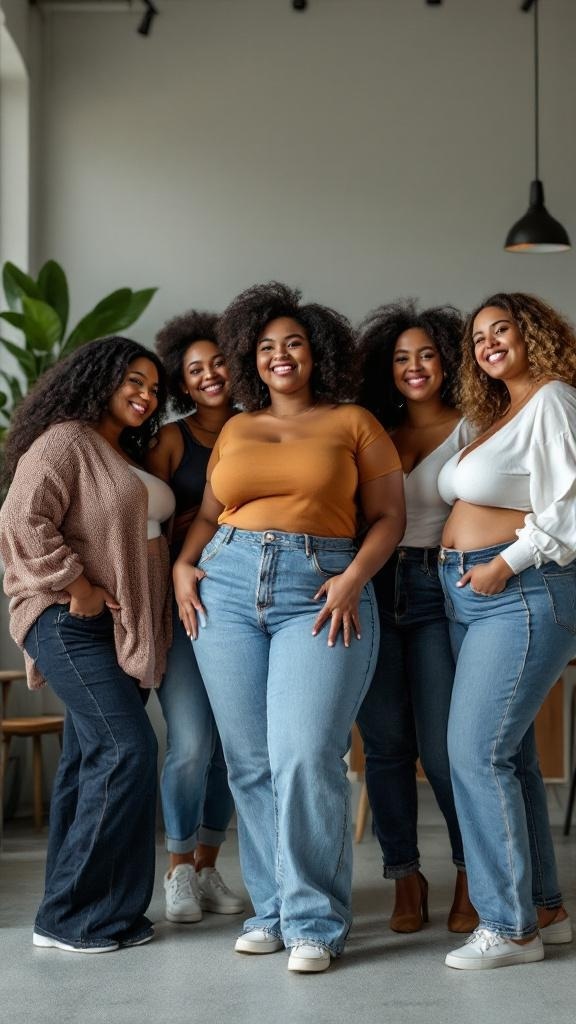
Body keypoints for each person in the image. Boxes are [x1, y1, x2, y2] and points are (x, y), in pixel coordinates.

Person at [173, 282, 405, 972]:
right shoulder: (238, 428)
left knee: (305, 753)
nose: (280, 355)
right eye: (266, 346)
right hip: (226, 585)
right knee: (250, 762)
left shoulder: (354, 422)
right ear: (251, 358)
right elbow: (210, 515)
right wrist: (183, 565)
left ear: (317, 352)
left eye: (294, 342)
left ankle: (314, 923)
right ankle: (272, 911)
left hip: (322, 587)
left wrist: (354, 577)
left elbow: (389, 517)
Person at [0, 337, 175, 953]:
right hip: (67, 620)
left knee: (85, 763)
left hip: (115, 627)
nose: (145, 395)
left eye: (154, 387)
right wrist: (79, 586)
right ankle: (72, 917)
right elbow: (20, 519)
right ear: (99, 378)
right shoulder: (65, 440)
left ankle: (96, 914)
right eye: (133, 380)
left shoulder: (120, 449)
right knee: (127, 749)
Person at [436, 293, 576, 970]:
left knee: (474, 754)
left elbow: (572, 506)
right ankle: (544, 908)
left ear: (534, 334)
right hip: (473, 592)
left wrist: (504, 564)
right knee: (510, 757)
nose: (489, 342)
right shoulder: (498, 414)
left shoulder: (553, 399)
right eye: (479, 336)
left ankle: (509, 929)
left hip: (521, 588)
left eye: (503, 329)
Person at [355, 300, 478, 934]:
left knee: (443, 748)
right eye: (402, 357)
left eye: (427, 354)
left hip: (439, 587)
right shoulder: (374, 429)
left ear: (448, 361)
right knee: (385, 746)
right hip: (372, 586)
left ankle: (470, 871)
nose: (415, 367)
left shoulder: (473, 426)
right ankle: (405, 874)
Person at [146, 310, 243, 922]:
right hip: (181, 605)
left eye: (218, 362)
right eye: (195, 369)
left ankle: (207, 866)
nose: (210, 375)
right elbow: (147, 520)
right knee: (190, 742)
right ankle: (178, 869)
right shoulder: (173, 439)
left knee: (232, 748)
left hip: (241, 604)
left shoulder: (257, 427)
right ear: (181, 382)